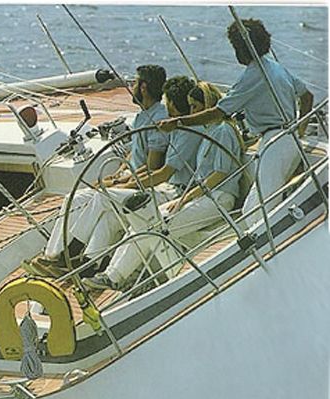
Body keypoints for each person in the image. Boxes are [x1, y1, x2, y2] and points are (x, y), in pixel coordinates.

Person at [30, 74, 203, 278]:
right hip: (158, 186)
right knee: (86, 204)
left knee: (103, 197)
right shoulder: (175, 127)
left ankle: (71, 253)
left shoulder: (187, 132)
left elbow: (163, 172)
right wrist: (119, 180)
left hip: (173, 191)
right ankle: (76, 261)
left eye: (168, 101)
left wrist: (123, 186)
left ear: (173, 102)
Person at [84, 82, 244, 292]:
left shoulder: (222, 131)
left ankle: (117, 278)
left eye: (195, 107)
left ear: (208, 105)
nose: (192, 112)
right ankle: (115, 275)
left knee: (154, 223)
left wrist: (185, 198)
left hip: (219, 197)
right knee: (144, 220)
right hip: (205, 196)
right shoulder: (212, 130)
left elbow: (220, 173)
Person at [157, 18, 313, 224]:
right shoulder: (276, 67)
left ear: (241, 48)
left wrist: (177, 123)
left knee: (255, 212)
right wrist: (299, 130)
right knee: (258, 207)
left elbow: (217, 113)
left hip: (275, 143)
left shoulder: (252, 75)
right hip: (287, 139)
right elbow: (307, 96)